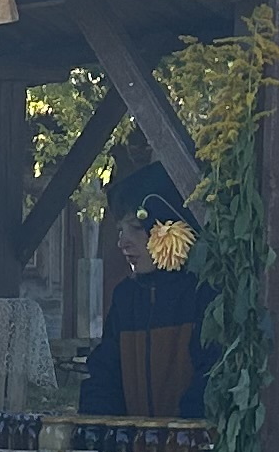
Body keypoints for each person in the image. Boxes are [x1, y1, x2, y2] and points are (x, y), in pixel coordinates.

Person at [75, 179, 214, 420]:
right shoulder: (125, 297)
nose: (123, 242)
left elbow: (211, 378)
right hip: (132, 450)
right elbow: (105, 375)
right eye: (120, 230)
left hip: (189, 448)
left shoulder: (204, 292)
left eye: (136, 227)